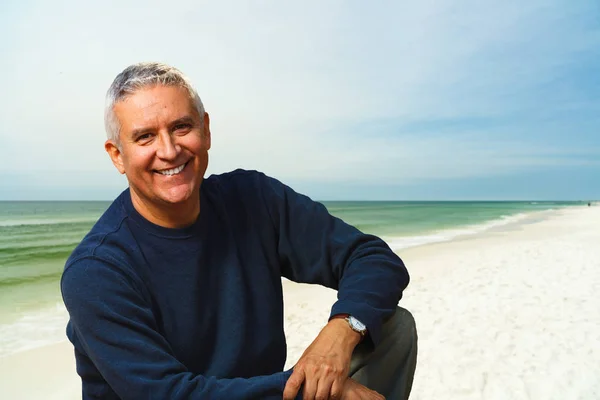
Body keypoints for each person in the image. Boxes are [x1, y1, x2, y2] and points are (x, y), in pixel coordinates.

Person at [61, 62, 417, 400]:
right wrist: (320, 390)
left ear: (206, 130)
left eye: (181, 127)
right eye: (145, 137)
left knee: (389, 327)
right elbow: (169, 395)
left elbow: (372, 258)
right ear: (117, 156)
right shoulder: (96, 270)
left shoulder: (254, 200)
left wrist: (342, 330)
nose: (169, 151)